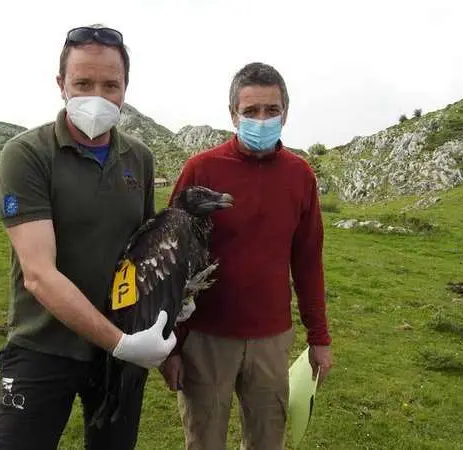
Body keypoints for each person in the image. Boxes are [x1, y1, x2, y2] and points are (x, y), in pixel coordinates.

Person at [0, 25, 175, 449]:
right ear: (61, 85)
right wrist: (123, 344)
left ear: (126, 88)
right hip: (43, 347)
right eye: (83, 83)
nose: (98, 96)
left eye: (111, 85)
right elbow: (38, 274)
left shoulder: (139, 159)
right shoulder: (27, 155)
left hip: (120, 352)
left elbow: (141, 254)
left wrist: (171, 306)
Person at [160, 62, 334, 450]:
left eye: (271, 110)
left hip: (271, 340)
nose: (261, 119)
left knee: (268, 441)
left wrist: (319, 338)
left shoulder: (300, 175)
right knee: (204, 441)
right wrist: (170, 345)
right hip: (205, 339)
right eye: (251, 110)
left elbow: (308, 261)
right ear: (232, 114)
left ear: (285, 113)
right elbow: (170, 264)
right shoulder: (201, 169)